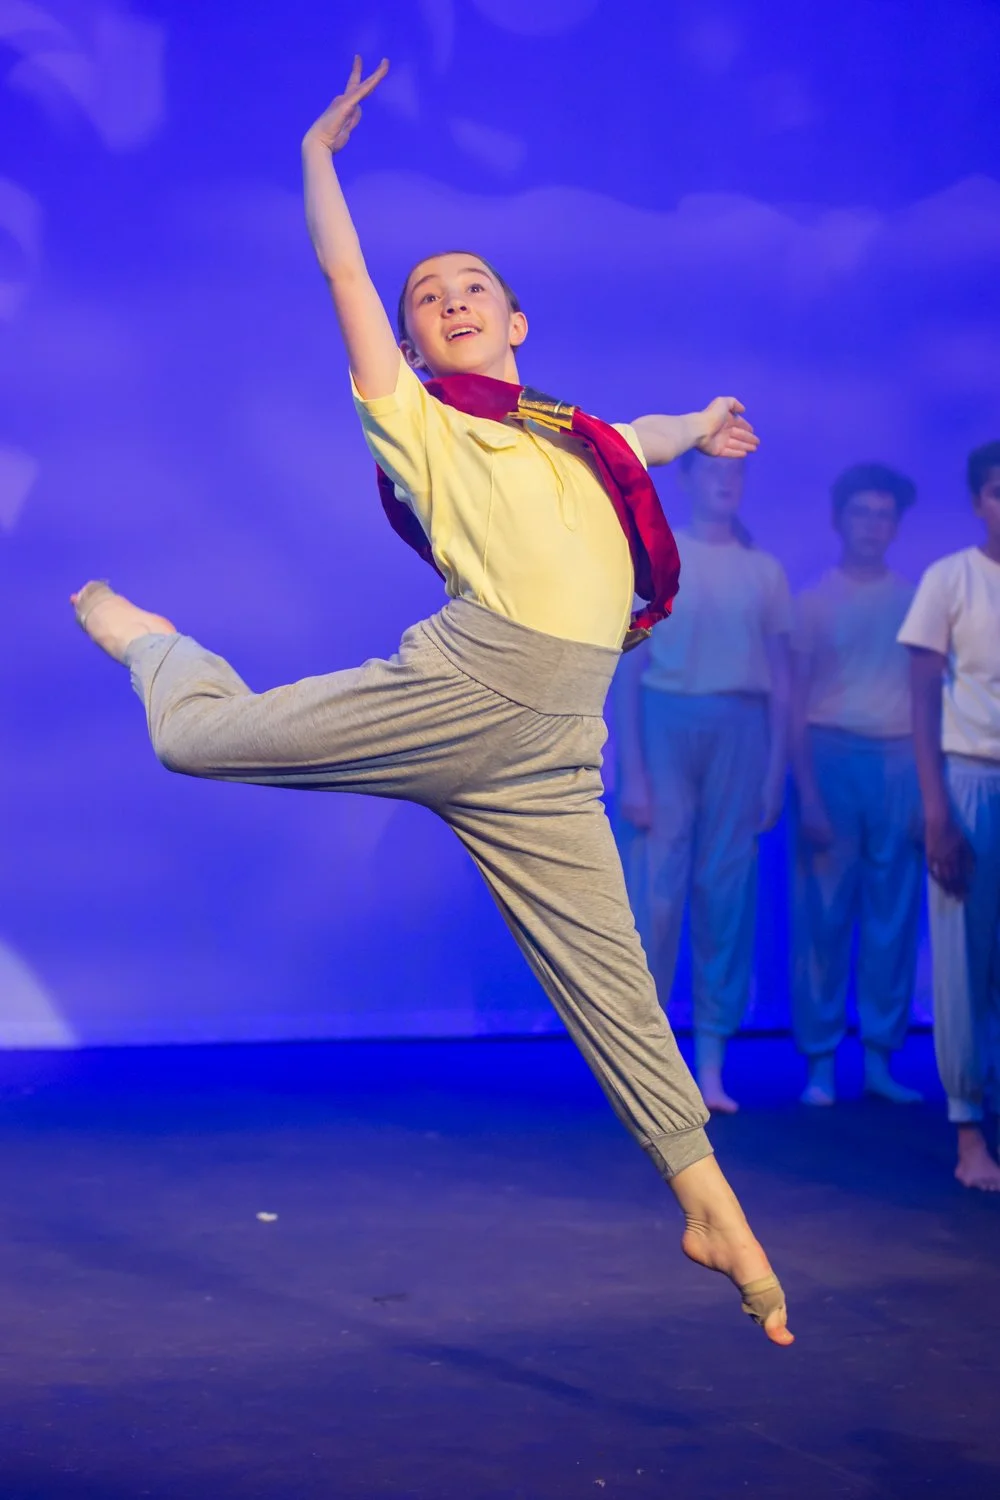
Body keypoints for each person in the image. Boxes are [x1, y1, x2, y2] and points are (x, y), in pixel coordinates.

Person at [69, 59, 793, 1340]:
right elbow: (346, 277)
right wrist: (315, 161)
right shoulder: (419, 422)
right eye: (426, 298)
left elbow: (644, 437)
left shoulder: (579, 435)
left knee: (609, 977)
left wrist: (702, 418)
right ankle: (151, 642)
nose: (449, 301)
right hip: (461, 689)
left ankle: (707, 1200)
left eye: (473, 289)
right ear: (409, 346)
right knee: (195, 737)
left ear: (518, 323)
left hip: (558, 739)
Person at [613, 449, 791, 1114]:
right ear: (686, 480)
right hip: (667, 721)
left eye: (736, 472)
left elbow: (781, 681)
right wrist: (633, 769)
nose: (725, 482)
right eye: (712, 472)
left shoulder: (763, 571)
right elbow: (629, 668)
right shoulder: (662, 556)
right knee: (656, 896)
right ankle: (650, 1068)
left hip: (738, 729)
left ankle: (711, 1063)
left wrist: (774, 772)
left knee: (727, 895)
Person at [790, 464, 924, 1107]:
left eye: (884, 515)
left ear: (895, 526)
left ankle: (878, 1060)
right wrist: (807, 790)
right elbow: (794, 701)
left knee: (892, 915)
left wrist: (929, 789)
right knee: (824, 912)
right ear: (839, 520)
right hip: (831, 752)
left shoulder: (914, 599)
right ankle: (819, 1062)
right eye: (861, 513)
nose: (873, 525)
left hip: (898, 760)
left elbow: (929, 703)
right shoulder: (814, 600)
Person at [898, 441, 1000, 1191]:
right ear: (977, 500)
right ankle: (969, 1131)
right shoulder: (952, 580)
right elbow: (922, 700)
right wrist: (936, 810)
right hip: (970, 781)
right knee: (965, 962)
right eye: (998, 491)